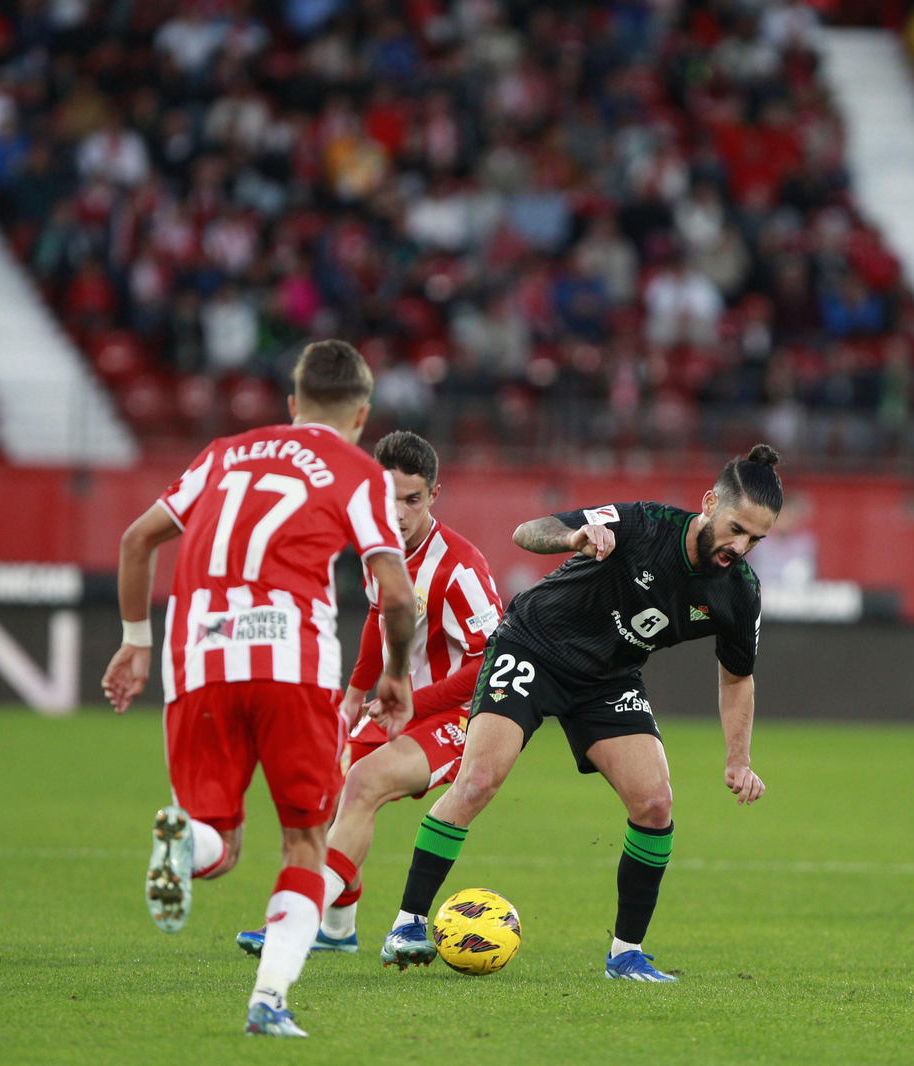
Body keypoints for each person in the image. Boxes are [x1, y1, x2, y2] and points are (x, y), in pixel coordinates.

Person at [101, 340, 417, 1038]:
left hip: (198, 656)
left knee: (219, 840)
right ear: (360, 415)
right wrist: (396, 672)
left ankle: (184, 844)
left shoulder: (221, 454)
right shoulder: (357, 471)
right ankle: (268, 1000)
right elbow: (396, 593)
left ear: (291, 403)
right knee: (304, 844)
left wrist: (135, 642)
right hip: (290, 659)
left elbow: (135, 540)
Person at [379, 444, 781, 982]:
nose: (741, 546)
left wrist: (738, 759)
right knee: (477, 779)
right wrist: (575, 536)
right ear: (709, 502)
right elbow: (529, 530)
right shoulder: (644, 523)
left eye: (756, 538)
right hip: (533, 648)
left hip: (608, 679)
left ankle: (626, 955)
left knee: (656, 803)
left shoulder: (739, 593)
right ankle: (407, 922)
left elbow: (737, 677)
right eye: (735, 528)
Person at [235, 431, 502, 957]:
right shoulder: (376, 549)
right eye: (387, 498)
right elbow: (381, 616)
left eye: (412, 499)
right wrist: (354, 696)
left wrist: (413, 704)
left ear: (434, 495)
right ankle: (337, 931)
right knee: (329, 802)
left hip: (457, 713)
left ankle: (295, 922)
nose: (398, 514)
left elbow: (491, 663)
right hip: (392, 704)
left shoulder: (459, 568)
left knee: (361, 784)